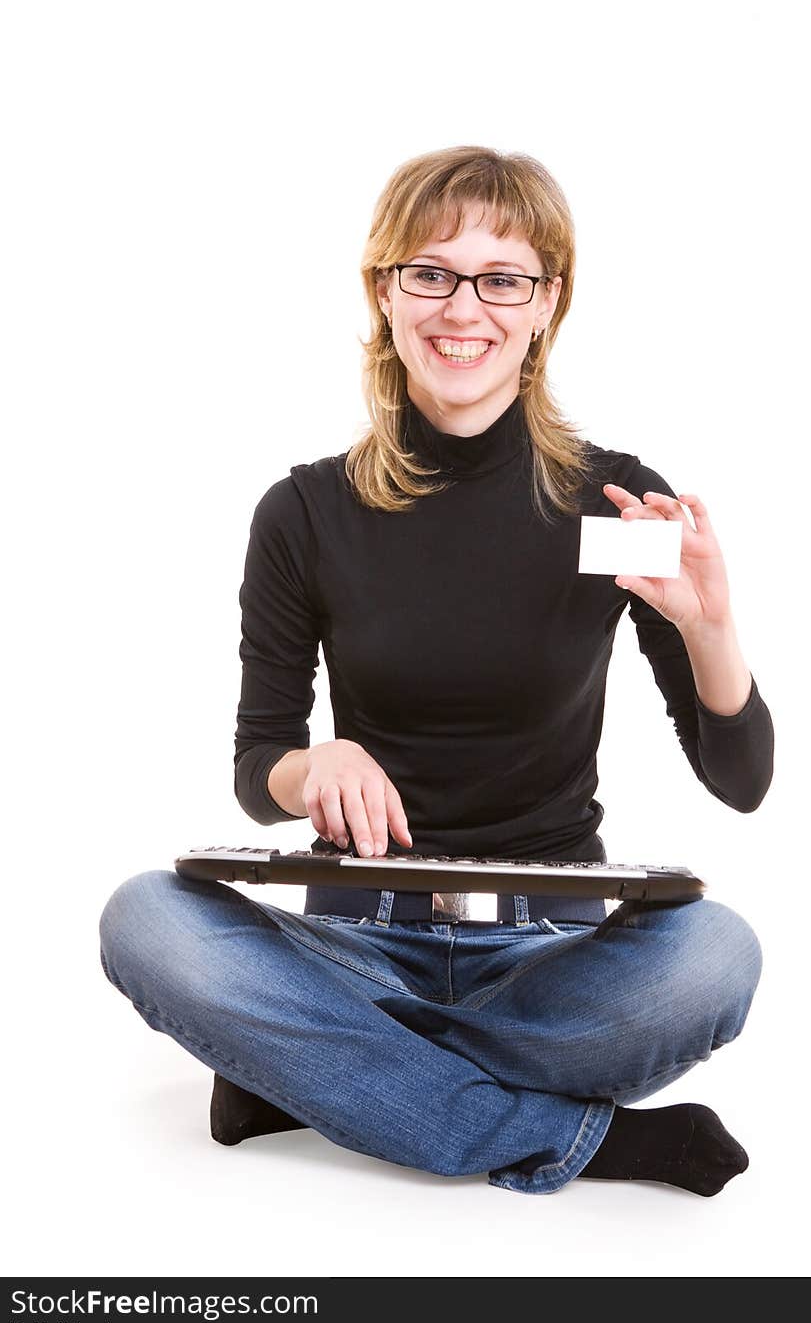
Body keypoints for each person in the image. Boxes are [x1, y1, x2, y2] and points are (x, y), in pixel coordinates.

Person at [99, 145, 773, 1197]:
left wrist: (711, 629)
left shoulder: (616, 503)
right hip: (356, 943)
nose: (466, 307)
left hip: (545, 958)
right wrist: (312, 764)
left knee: (716, 954)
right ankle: (591, 1141)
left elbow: (741, 781)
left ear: (547, 303)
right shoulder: (304, 512)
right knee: (145, 916)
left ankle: (314, 1072)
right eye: (431, 272)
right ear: (385, 290)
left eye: (503, 278)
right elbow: (256, 763)